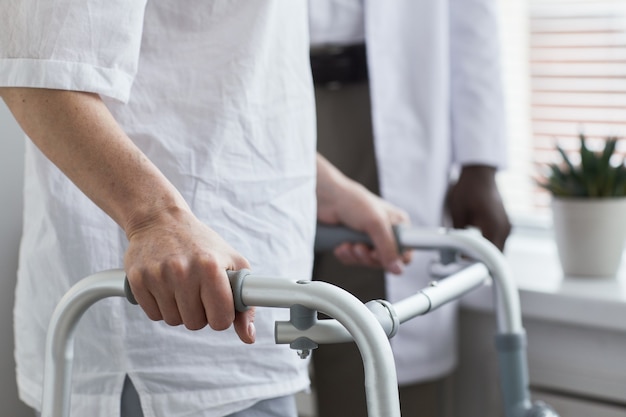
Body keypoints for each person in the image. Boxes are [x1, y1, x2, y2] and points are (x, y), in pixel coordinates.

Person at [0, 2, 411, 417]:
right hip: (156, 348)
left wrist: (327, 188)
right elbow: (36, 73)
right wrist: (154, 219)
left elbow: (219, 66)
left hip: (252, 311)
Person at [308, 1, 512, 416]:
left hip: (383, 100)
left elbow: (471, 15)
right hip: (254, 91)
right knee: (241, 355)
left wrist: (480, 163)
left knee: (370, 364)